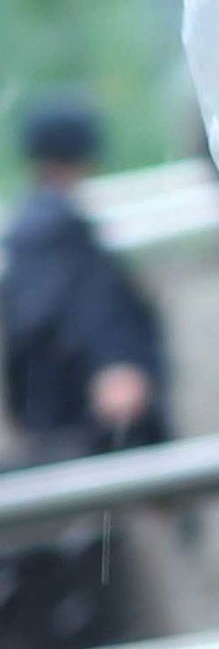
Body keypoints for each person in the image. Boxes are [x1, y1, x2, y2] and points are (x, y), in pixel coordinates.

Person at [4, 98, 170, 461]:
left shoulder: (40, 226)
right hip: (87, 412)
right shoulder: (53, 231)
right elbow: (82, 310)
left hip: (67, 410)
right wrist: (111, 363)